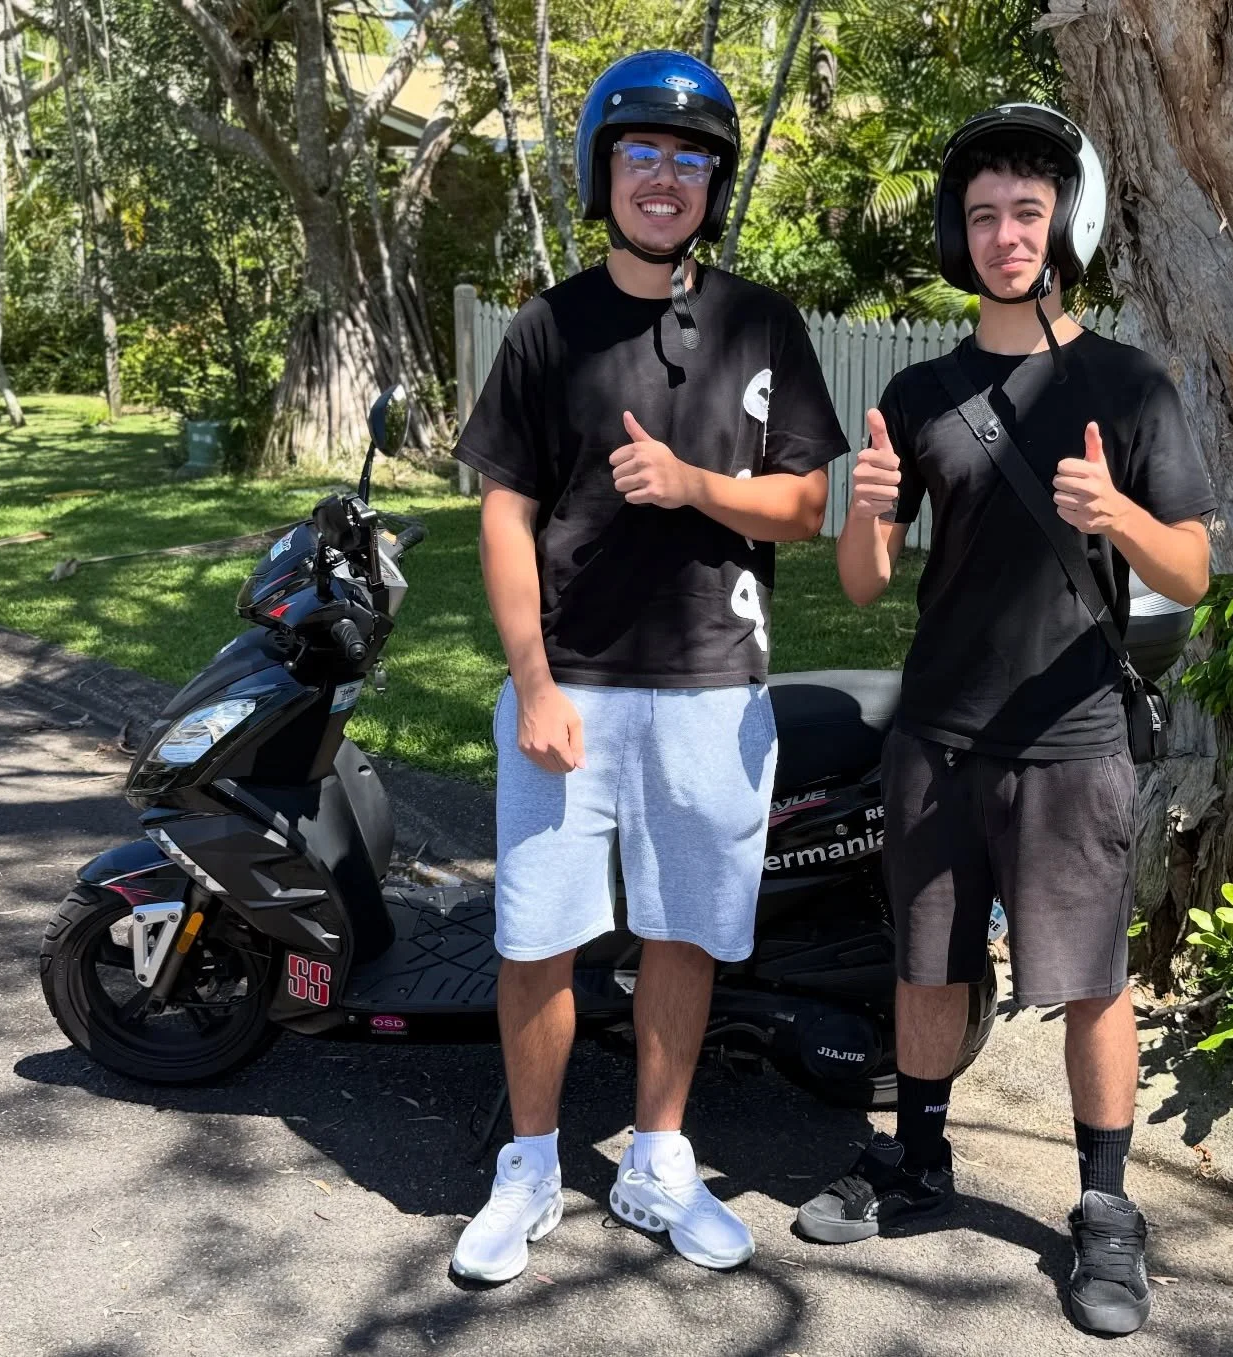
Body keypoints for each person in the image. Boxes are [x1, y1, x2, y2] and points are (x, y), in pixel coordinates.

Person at [795, 104, 1217, 1337]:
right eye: (982, 215)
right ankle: (919, 1162)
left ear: (1063, 226)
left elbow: (1192, 570)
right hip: (938, 733)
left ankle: (1105, 1209)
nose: (1004, 234)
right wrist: (866, 509)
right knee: (928, 960)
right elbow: (866, 583)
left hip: (1074, 737)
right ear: (957, 235)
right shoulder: (923, 392)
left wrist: (1117, 515)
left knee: (1089, 981)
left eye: (1027, 211)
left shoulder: (1128, 384)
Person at [449, 49, 849, 1284]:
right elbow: (504, 514)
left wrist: (693, 485)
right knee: (536, 937)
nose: (664, 177)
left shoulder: (760, 323)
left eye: (689, 158)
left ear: (712, 184)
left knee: (684, 931)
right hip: (569, 686)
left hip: (715, 687)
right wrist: (530, 680)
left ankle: (658, 1160)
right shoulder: (546, 327)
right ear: (602, 170)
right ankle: (528, 1165)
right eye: (641, 152)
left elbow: (808, 505)